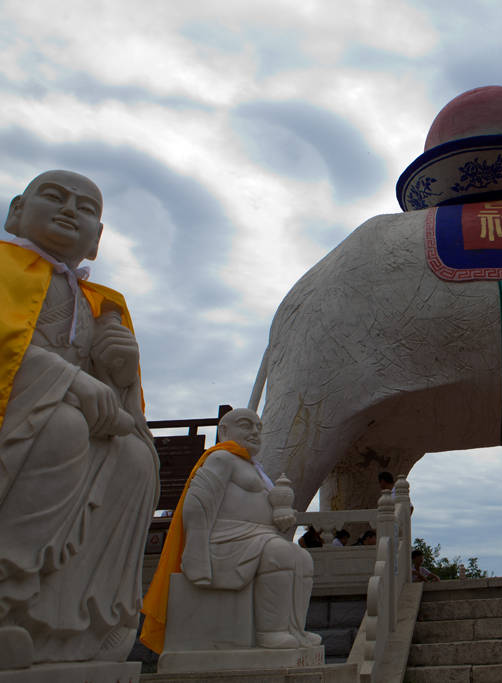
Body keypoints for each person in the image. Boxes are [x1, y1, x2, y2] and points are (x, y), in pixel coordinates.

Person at [0, 171, 159, 665]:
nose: (70, 209)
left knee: (135, 456)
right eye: (55, 196)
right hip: (28, 413)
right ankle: (8, 593)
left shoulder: (101, 304)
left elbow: (115, 399)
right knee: (62, 427)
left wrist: (120, 374)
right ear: (16, 211)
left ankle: (90, 613)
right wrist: (65, 380)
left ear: (97, 239)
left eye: (85, 207)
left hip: (73, 412)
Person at [141, 408, 320, 653]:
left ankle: (293, 629)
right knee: (282, 554)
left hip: (256, 536)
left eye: (259, 427)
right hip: (227, 538)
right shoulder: (221, 458)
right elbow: (198, 503)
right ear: (224, 431)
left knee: (303, 558)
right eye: (247, 425)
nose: (255, 432)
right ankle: (271, 632)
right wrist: (196, 546)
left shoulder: (253, 467)